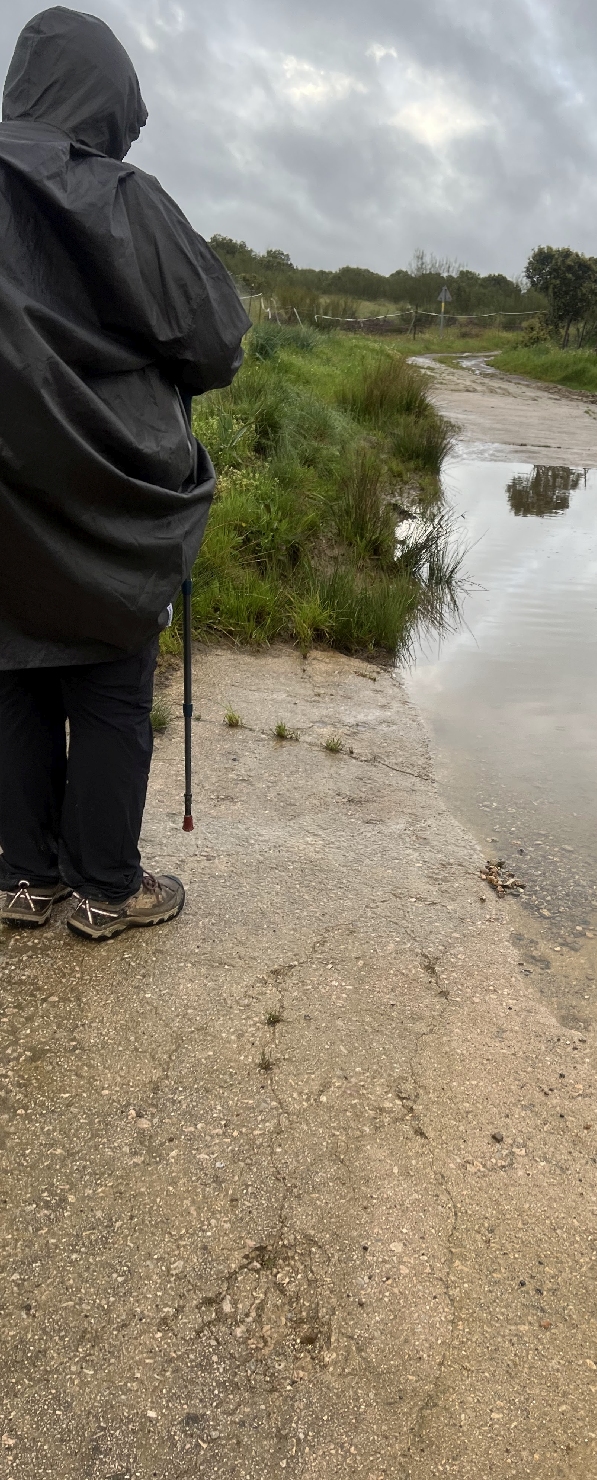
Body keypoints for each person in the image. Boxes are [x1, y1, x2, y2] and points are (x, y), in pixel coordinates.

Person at [0, 7, 250, 939]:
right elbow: (217, 342)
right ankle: (108, 888)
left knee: (12, 674)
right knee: (109, 685)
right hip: (112, 501)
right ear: (107, 97)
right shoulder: (121, 197)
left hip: (4, 506)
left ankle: (27, 880)